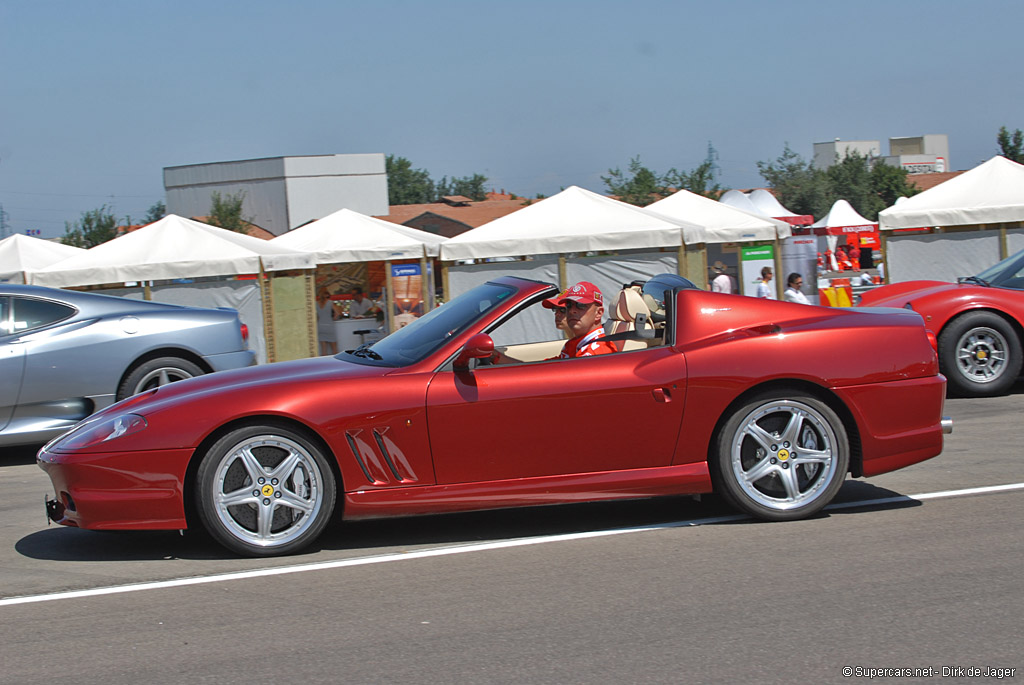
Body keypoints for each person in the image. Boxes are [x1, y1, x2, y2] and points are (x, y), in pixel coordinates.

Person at [555, 281, 616, 359]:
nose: (571, 310)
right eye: (569, 305)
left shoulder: (595, 352)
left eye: (580, 305)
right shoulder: (576, 343)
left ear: (598, 313)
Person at [316, 288, 338, 355]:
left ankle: (324, 363)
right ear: (326, 295)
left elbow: (316, 316)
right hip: (329, 326)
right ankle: (335, 363)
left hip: (320, 326)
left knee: (323, 349)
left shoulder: (316, 303)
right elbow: (337, 313)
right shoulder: (330, 302)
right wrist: (334, 318)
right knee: (334, 348)